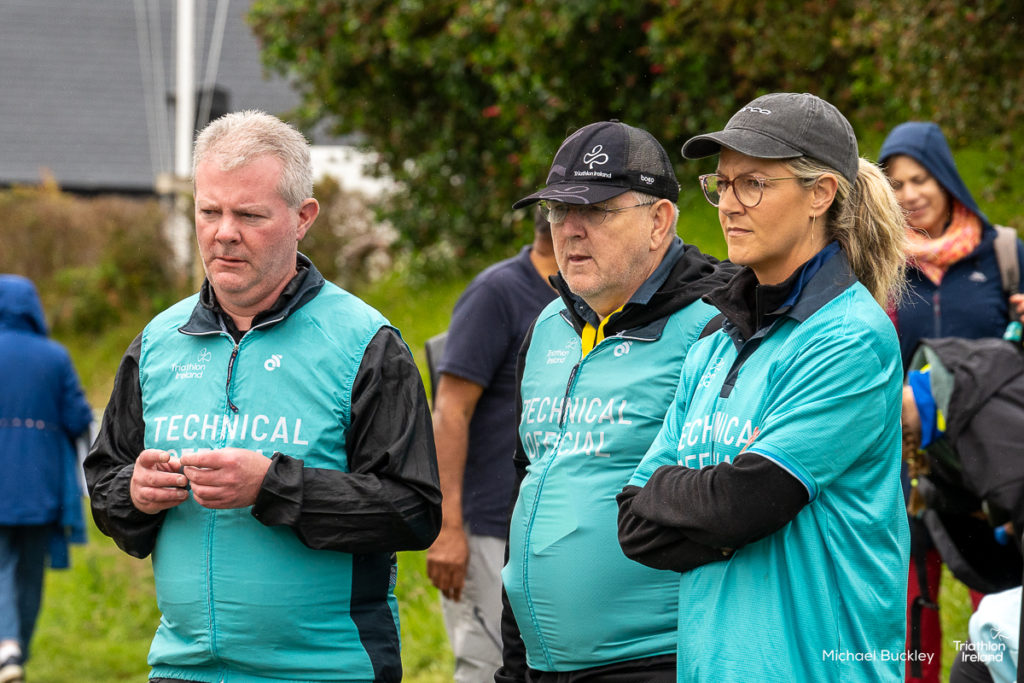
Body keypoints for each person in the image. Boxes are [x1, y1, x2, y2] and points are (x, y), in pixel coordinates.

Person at [83, 111, 441, 683]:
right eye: (209, 211)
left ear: (303, 218)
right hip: (182, 668)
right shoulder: (156, 342)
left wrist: (273, 487)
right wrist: (134, 493)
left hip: (326, 670)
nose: (224, 232)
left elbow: (413, 511)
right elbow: (105, 483)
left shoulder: (366, 343)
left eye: (249, 215)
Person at [618, 92, 910, 682]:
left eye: (752, 184)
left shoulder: (849, 336)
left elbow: (749, 501)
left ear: (820, 194)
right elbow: (632, 520)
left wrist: (702, 505)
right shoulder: (714, 342)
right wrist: (726, 518)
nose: (729, 204)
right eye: (723, 184)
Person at [497, 120, 732, 682]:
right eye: (559, 211)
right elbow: (528, 492)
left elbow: (731, 507)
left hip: (658, 659)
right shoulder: (548, 326)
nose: (571, 231)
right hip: (542, 662)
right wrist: (513, 663)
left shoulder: (714, 325)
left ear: (659, 221)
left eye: (597, 211)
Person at [879, 120, 1024, 683]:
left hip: (991, 458)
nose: (910, 194)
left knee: (996, 593)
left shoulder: (1002, 253)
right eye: (896, 183)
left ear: (945, 178)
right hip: (909, 456)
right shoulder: (883, 264)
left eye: (921, 179)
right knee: (912, 599)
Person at [426, 206, 557, 682]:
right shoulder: (496, 293)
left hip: (548, 532)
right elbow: (450, 411)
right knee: (487, 669)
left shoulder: (590, 298)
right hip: (487, 529)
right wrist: (447, 529)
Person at [0, 274, 92, 683]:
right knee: (30, 571)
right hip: (41, 483)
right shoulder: (55, 357)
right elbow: (77, 417)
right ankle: (15, 652)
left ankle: (6, 647)